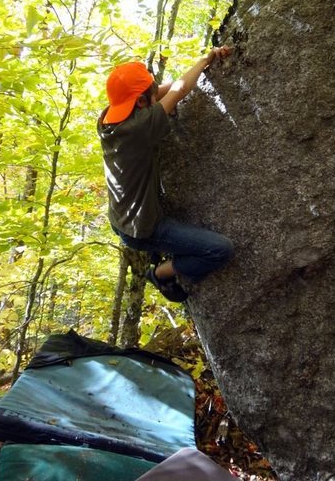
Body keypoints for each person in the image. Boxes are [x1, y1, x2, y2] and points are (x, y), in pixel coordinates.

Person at [97, 47, 234, 302]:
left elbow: (166, 90)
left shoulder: (107, 119)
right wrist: (207, 58)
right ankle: (161, 273)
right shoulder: (139, 127)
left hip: (121, 219)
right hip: (143, 228)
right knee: (219, 250)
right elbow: (178, 91)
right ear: (139, 102)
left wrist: (200, 68)